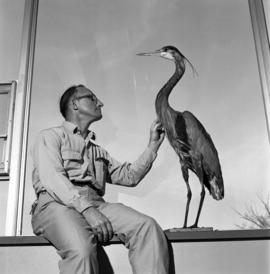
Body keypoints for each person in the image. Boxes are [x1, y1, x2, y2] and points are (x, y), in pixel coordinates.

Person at [30, 84, 169, 274]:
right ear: (75, 104)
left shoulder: (97, 150)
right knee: (82, 251)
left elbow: (129, 176)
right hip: (56, 204)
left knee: (147, 227)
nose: (100, 103)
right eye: (92, 98)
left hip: (96, 204)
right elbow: (52, 178)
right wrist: (86, 209)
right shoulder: (51, 136)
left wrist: (152, 146)